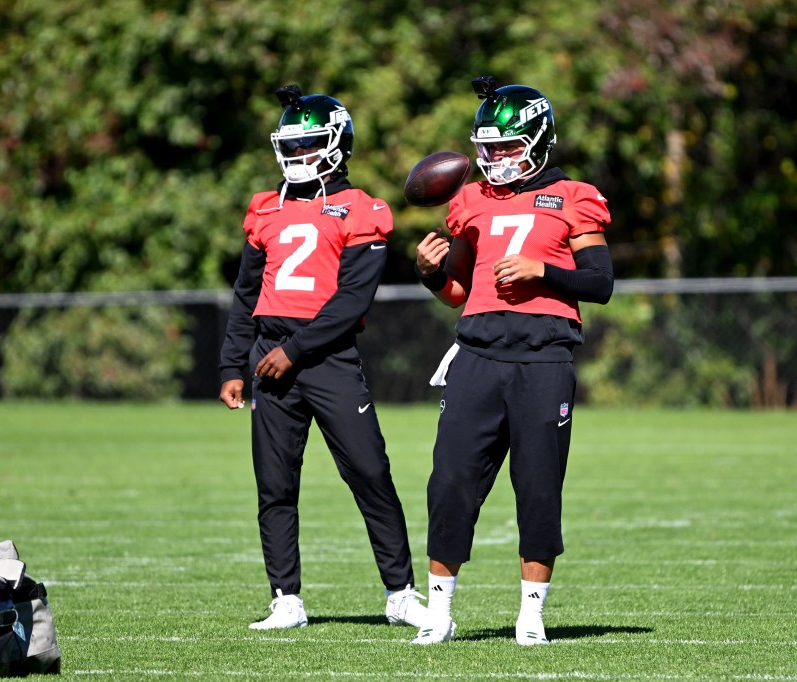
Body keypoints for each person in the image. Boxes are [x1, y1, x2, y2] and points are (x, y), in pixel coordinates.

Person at [411, 76, 615, 646]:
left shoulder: (575, 196)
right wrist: (430, 275)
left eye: (506, 146)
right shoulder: (470, 200)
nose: (495, 158)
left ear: (538, 138)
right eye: (488, 147)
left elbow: (600, 283)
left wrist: (542, 272)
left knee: (538, 485)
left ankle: (531, 615)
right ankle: (439, 613)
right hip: (476, 356)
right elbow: (457, 290)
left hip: (544, 358)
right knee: (450, 482)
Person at [219, 84, 429, 631]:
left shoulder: (363, 209)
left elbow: (351, 301)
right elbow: (246, 294)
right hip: (269, 355)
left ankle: (400, 593)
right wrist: (230, 365)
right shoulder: (265, 207)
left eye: (307, 144)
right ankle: (285, 598)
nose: (294, 156)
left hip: (326, 356)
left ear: (336, 144)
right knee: (275, 483)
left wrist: (295, 350)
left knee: (369, 472)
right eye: (288, 146)